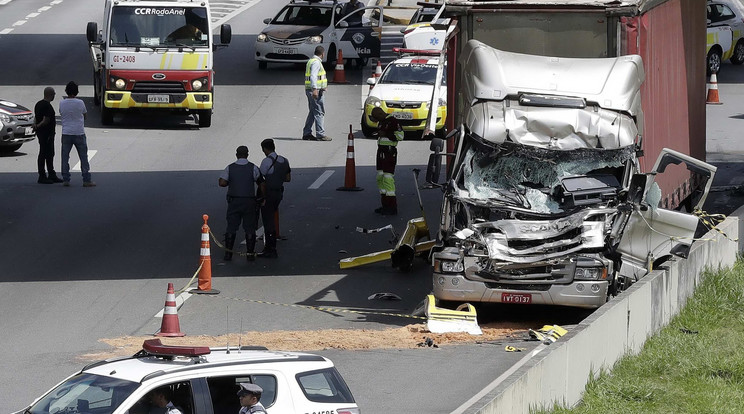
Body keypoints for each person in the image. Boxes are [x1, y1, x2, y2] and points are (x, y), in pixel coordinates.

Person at [219, 145, 266, 262]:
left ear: (236, 155)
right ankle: (250, 254)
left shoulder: (230, 168)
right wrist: (262, 197)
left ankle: (228, 254)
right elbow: (262, 183)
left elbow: (222, 182)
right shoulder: (253, 168)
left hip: (234, 201)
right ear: (247, 155)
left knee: (231, 227)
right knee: (250, 227)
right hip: (249, 201)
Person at [257, 139, 291, 258]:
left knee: (268, 221)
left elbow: (260, 179)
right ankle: (270, 247)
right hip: (279, 194)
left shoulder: (266, 161)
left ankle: (270, 248)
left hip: (269, 194)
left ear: (264, 149)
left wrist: (262, 196)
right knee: (271, 216)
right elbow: (287, 178)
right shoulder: (284, 160)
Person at [59, 81, 95, 187]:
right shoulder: (80, 103)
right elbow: (85, 115)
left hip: (66, 133)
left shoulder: (62, 103)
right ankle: (86, 180)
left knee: (65, 157)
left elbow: (61, 113)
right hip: (79, 132)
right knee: (83, 157)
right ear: (77, 92)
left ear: (66, 91)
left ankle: (66, 179)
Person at [370, 107, 403, 215]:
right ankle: (384, 205)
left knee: (388, 178)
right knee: (380, 177)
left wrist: (387, 134)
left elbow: (400, 136)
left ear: (380, 113)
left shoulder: (393, 121)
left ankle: (392, 206)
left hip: (389, 152)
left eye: (376, 117)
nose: (376, 119)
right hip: (381, 151)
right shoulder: (382, 122)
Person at [34, 87, 63, 184]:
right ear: (50, 95)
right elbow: (46, 120)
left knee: (45, 153)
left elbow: (36, 117)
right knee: (47, 153)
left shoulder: (38, 104)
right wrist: (38, 126)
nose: (54, 96)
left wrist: (35, 125)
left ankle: (50, 174)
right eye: (54, 94)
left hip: (41, 133)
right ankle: (43, 175)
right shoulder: (47, 106)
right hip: (47, 134)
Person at [303, 46, 331, 141]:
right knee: (319, 112)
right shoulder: (316, 62)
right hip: (315, 91)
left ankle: (307, 133)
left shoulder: (311, 61)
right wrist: (315, 89)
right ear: (323, 54)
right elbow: (313, 76)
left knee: (313, 112)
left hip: (311, 90)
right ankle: (320, 134)